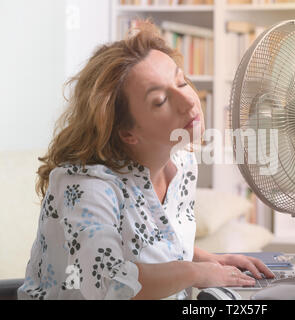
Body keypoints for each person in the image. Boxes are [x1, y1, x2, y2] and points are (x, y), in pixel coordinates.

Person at [17, 20, 273, 300]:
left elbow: (150, 243)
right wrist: (196, 273)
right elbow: (107, 281)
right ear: (128, 133)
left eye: (181, 81)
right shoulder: (85, 186)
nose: (189, 101)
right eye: (161, 100)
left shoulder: (183, 161)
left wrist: (208, 261)